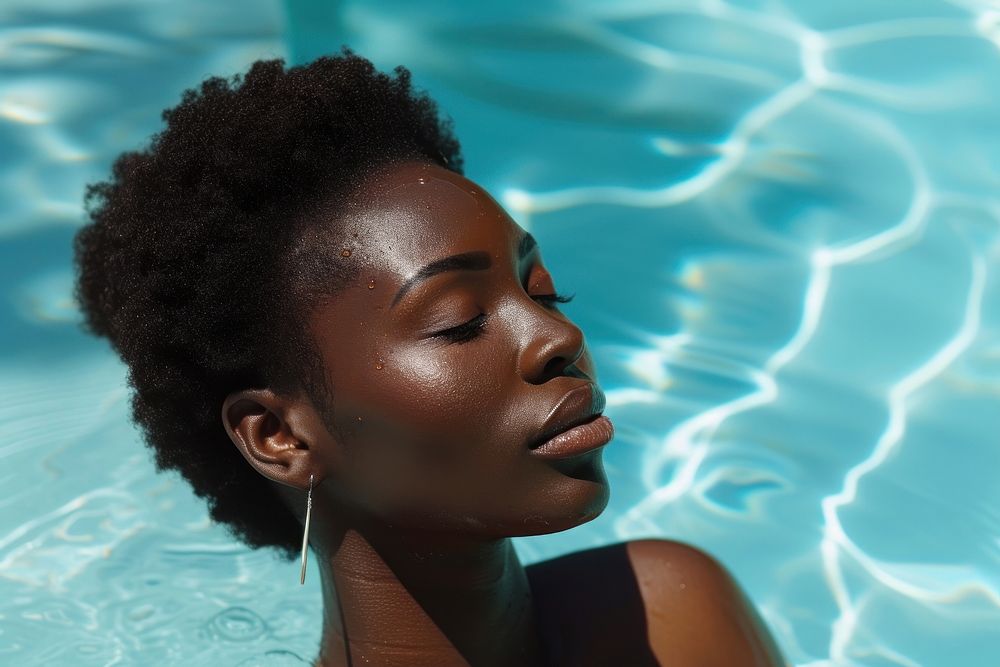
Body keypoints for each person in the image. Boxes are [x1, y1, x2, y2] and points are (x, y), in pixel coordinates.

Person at [72, 47, 786, 667]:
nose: (556, 337)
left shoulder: (669, 617)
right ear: (280, 436)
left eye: (544, 290)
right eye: (460, 321)